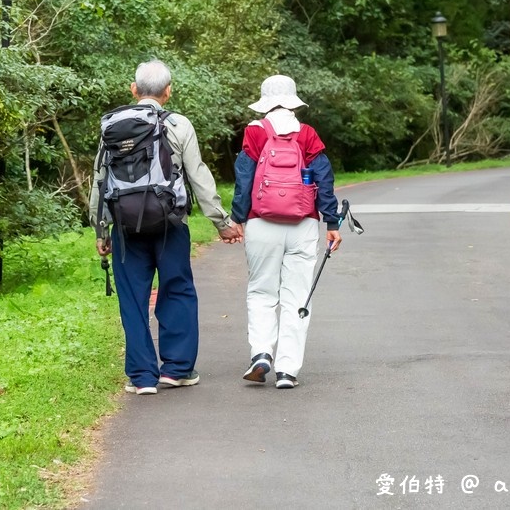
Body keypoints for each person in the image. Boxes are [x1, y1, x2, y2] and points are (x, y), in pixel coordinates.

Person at [90, 60, 242, 396]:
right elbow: (198, 175)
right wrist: (221, 222)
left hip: (126, 229)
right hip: (170, 223)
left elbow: (100, 181)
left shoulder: (112, 126)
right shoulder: (178, 124)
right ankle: (176, 370)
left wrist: (102, 230)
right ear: (168, 91)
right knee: (177, 289)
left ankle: (142, 377)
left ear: (133, 89)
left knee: (132, 298)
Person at [230, 74, 342, 389]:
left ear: (265, 101)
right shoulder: (307, 134)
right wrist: (332, 222)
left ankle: (262, 353)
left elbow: (244, 176)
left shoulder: (255, 131)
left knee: (262, 292)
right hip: (303, 223)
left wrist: (238, 217)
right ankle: (288, 370)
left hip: (262, 223)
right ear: (293, 101)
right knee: (297, 296)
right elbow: (324, 177)